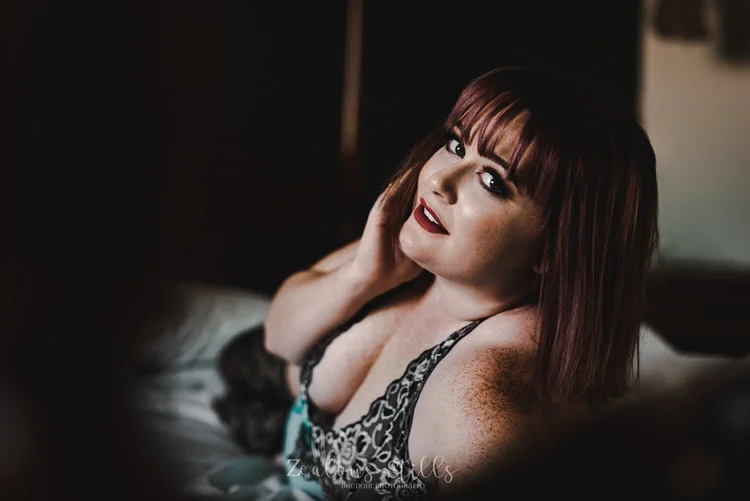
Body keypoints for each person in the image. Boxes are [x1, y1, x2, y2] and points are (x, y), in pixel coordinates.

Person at [263, 66, 659, 500]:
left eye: (491, 181)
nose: (438, 180)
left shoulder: (478, 400)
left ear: (554, 249)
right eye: (456, 145)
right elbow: (278, 339)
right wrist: (362, 275)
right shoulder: (421, 255)